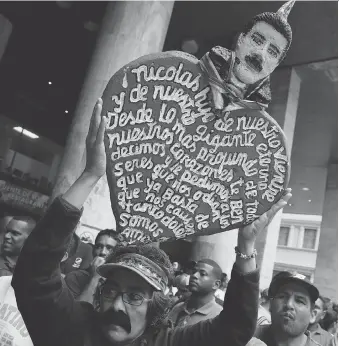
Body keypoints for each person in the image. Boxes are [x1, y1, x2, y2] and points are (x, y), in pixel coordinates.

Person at [12, 98, 292, 346]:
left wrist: (246, 246)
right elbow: (33, 273)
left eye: (135, 296)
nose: (118, 306)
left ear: (157, 307)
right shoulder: (72, 328)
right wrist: (90, 175)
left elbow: (234, 330)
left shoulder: (165, 342)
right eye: (111, 291)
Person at [201, 0, 294, 112]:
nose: (261, 53)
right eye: (257, 40)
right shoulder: (212, 62)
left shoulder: (259, 104)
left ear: (276, 64)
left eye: (272, 52)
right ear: (241, 39)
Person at [254, 271, 322, 346]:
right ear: (271, 304)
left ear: (312, 315)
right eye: (282, 297)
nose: (289, 305)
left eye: (299, 301)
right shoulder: (245, 337)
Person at [65, 229, 120, 301]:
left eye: (109, 248)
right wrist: (95, 277)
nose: (103, 252)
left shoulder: (119, 282)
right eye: (99, 247)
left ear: (116, 253)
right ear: (93, 250)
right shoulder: (74, 277)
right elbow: (76, 311)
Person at [168, 259, 223, 327]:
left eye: (202, 274)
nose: (194, 275)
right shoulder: (177, 308)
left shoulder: (220, 317)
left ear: (216, 284)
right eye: (194, 271)